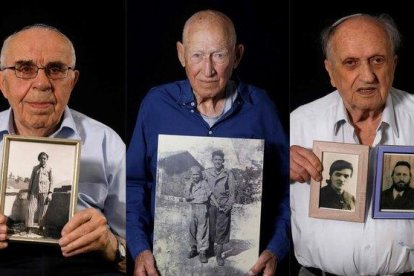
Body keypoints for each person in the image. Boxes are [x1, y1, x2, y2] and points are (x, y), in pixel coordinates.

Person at [127, 9, 289, 276]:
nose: (208, 69)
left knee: (220, 232)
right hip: (163, 267)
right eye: (197, 55)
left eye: (219, 55)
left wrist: (276, 249)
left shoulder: (261, 107)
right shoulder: (156, 105)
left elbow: (287, 187)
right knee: (197, 229)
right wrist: (139, 249)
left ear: (237, 56)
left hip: (246, 268)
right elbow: (134, 183)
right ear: (181, 54)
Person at [290, 13, 414, 275]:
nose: (367, 75)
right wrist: (276, 165)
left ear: (393, 64)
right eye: (351, 62)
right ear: (330, 71)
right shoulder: (296, 124)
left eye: (377, 60)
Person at [0, 24, 126, 274]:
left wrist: (112, 246)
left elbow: (136, 255)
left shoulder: (107, 143)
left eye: (56, 70)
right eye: (25, 69)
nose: (42, 83)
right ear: (3, 83)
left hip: (84, 265)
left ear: (73, 81)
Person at [204, 150, 235, 266]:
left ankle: (219, 256)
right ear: (212, 160)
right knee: (211, 229)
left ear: (223, 161)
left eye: (220, 160)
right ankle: (211, 250)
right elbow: (196, 178)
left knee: (221, 231)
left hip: (224, 206)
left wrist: (227, 207)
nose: (217, 161)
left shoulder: (228, 174)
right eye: (215, 159)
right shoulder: (207, 173)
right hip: (211, 206)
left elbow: (232, 193)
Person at [185, 165, 217, 264]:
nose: (196, 176)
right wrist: (189, 187)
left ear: (200, 175)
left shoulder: (204, 183)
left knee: (203, 230)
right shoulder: (188, 184)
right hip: (192, 207)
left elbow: (210, 194)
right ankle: (193, 249)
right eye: (194, 175)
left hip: (202, 207)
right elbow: (187, 197)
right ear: (191, 175)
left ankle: (202, 251)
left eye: (197, 174)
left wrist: (217, 205)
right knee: (192, 229)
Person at [26, 152, 54, 235]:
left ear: (47, 159)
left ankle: (41, 228)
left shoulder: (49, 168)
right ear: (39, 159)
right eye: (41, 158)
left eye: (44, 158)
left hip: (45, 192)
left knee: (43, 210)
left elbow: (52, 182)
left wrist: (50, 193)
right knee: (30, 209)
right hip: (34, 191)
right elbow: (31, 181)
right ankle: (29, 228)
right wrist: (29, 192)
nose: (43, 160)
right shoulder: (35, 168)